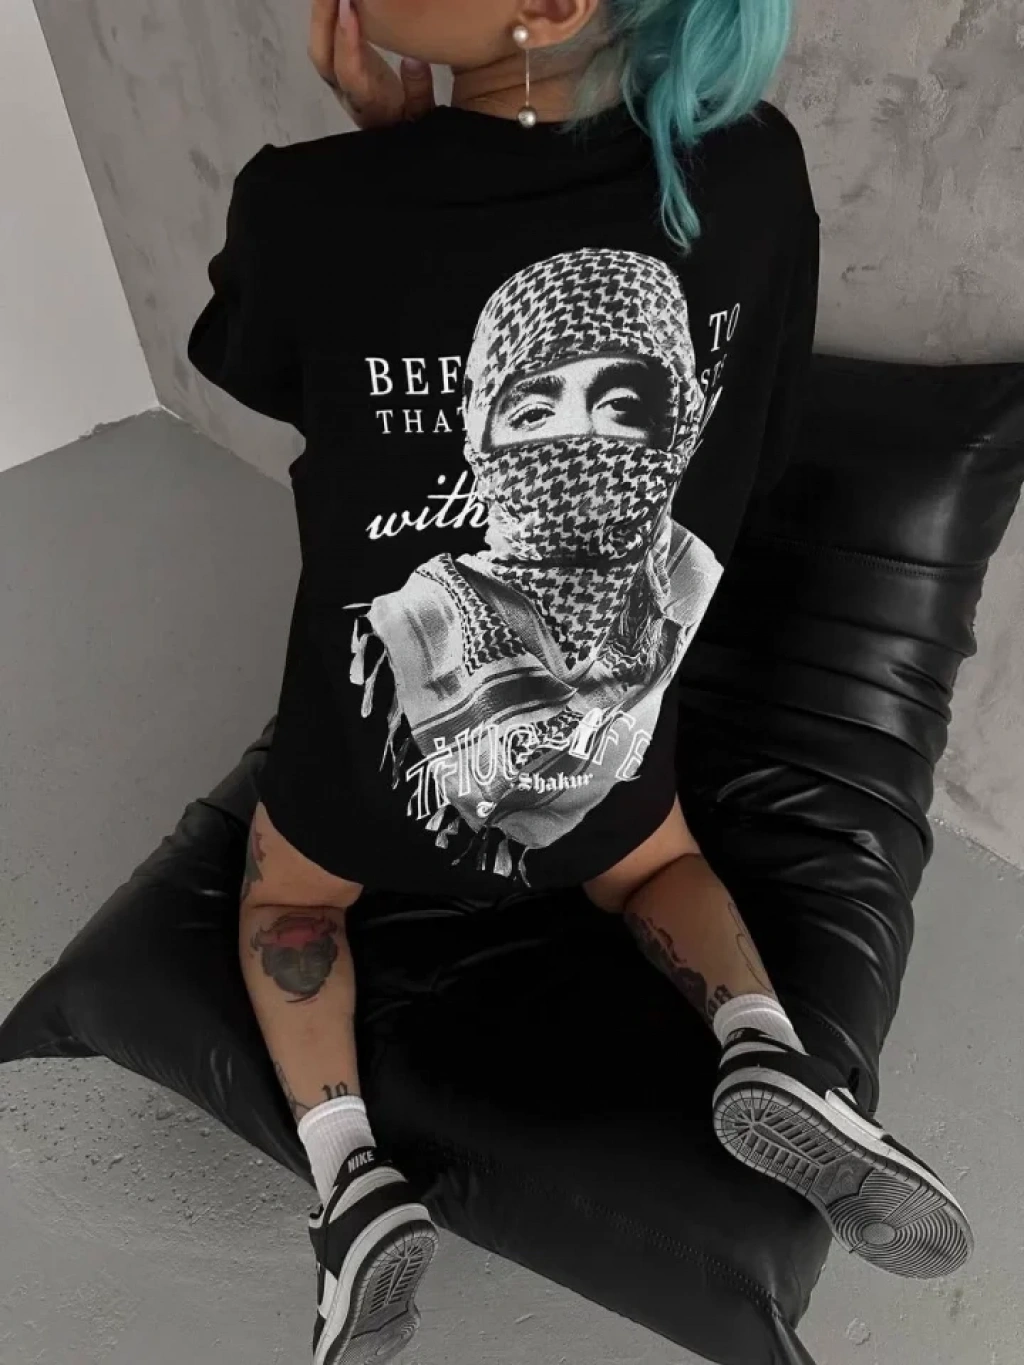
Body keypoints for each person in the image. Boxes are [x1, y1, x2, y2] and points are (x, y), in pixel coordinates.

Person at [187, 2, 974, 1362]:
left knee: (288, 903)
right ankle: (765, 1045)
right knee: (661, 862)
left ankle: (351, 1182)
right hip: (620, 759)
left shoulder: (309, 206)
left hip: (366, 784)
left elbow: (284, 374)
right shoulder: (756, 171)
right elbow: (762, 432)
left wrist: (387, 153)